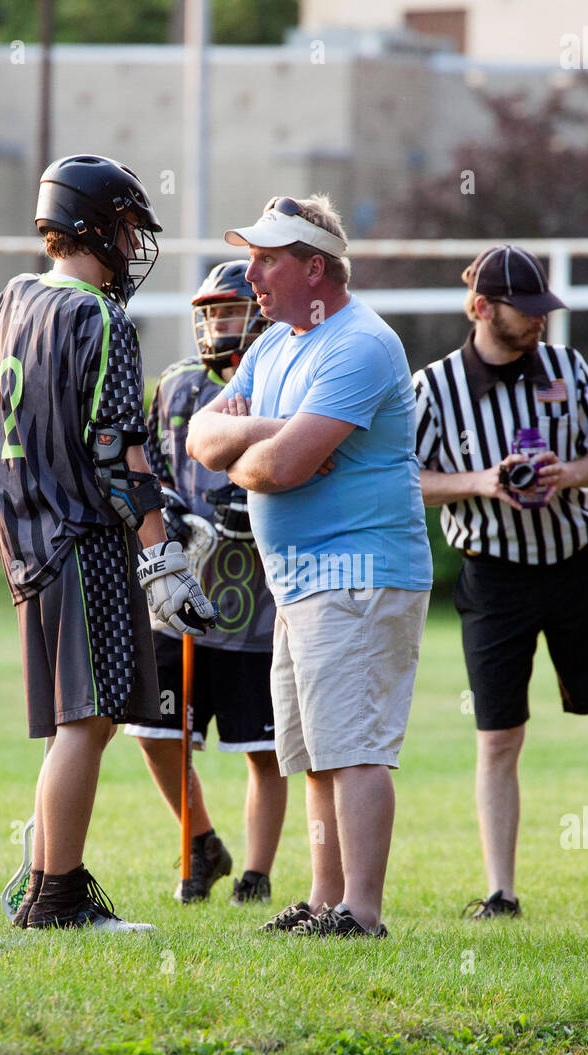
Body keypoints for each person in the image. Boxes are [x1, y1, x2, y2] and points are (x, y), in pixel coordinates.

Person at [413, 245, 588, 918]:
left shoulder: (568, 367)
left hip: (577, 561)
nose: (540, 321)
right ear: (481, 308)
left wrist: (566, 472)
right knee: (500, 734)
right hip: (494, 575)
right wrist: (482, 482)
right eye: (526, 309)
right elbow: (408, 481)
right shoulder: (435, 388)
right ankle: (500, 892)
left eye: (544, 308)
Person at [0, 154, 216, 933]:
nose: (130, 243)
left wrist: (0, 524)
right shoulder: (99, 319)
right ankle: (58, 897)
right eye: (123, 226)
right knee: (88, 721)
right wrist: (163, 555)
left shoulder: (12, 300)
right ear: (93, 225)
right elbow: (120, 450)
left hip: (28, 541)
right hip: (83, 541)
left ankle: (45, 885)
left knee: (73, 722)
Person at [186, 194, 433, 939]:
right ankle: (327, 901)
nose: (252, 274)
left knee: (354, 748)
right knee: (315, 755)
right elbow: (203, 437)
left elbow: (282, 468)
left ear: (314, 267)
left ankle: (362, 912)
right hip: (299, 581)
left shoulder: (359, 343)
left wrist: (259, 444)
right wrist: (268, 433)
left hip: (357, 571)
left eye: (267, 259)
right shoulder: (272, 346)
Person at [123, 261, 288, 905]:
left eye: (231, 310)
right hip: (178, 598)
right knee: (158, 733)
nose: (219, 323)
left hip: (257, 607)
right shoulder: (177, 385)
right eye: (211, 312)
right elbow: (148, 467)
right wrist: (172, 514)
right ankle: (201, 843)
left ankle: (257, 872)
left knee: (263, 750)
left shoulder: (283, 379)